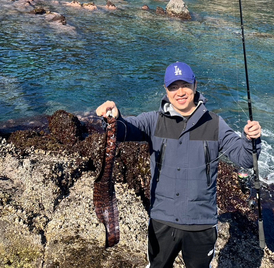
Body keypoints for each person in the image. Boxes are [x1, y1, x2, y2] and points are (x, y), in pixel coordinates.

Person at [96, 61, 261, 268]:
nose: (180, 92)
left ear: (195, 85)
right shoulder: (153, 121)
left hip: (201, 224)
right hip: (162, 221)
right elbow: (123, 130)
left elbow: (245, 158)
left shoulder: (215, 124)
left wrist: (251, 140)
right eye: (173, 86)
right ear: (166, 90)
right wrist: (112, 117)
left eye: (185, 85)